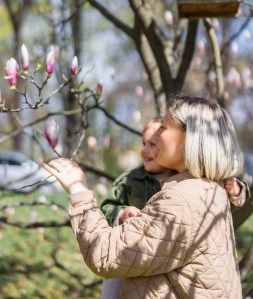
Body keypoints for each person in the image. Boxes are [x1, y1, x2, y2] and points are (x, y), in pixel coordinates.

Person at [44, 96, 244, 298]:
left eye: (164, 127)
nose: (155, 137)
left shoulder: (181, 203)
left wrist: (78, 189)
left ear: (190, 137)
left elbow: (105, 255)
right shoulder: (211, 189)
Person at [100, 117, 249, 299]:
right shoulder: (129, 180)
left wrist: (237, 191)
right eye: (144, 143)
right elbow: (107, 206)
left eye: (153, 144)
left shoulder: (188, 180)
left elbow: (211, 212)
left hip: (164, 261)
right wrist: (121, 213)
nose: (145, 150)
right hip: (129, 251)